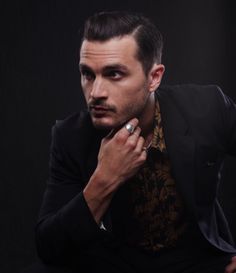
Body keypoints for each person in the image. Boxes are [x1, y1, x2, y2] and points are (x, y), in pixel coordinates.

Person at [34, 11, 236, 273]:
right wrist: (104, 179)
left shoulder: (205, 109)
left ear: (154, 77)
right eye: (87, 74)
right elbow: (50, 248)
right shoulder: (71, 137)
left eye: (114, 74)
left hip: (199, 263)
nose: (96, 93)